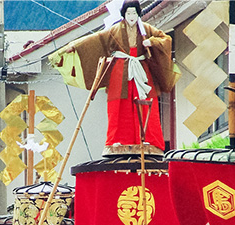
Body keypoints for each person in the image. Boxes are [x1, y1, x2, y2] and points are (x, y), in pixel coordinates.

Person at [50, 0, 175, 154]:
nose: (131, 16)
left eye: (134, 13)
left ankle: (150, 144)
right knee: (118, 107)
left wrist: (152, 41)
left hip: (141, 71)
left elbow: (166, 39)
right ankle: (117, 143)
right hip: (120, 72)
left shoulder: (146, 29)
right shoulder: (115, 30)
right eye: (128, 13)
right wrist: (74, 46)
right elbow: (95, 39)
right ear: (123, 14)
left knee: (146, 104)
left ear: (138, 14)